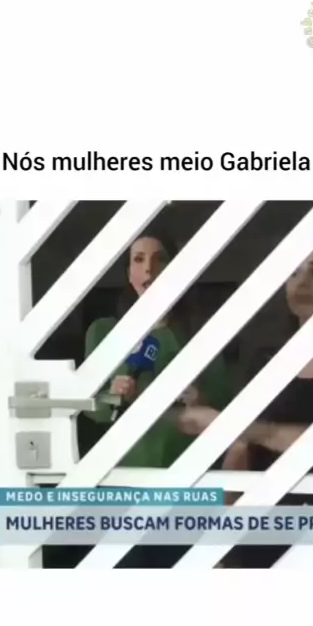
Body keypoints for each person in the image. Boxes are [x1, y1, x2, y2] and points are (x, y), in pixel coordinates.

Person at [177, 234, 313, 567]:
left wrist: (241, 426)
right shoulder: (266, 362)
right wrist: (221, 542)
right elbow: (239, 452)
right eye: (293, 272)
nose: (301, 282)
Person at [82, 228, 231, 567]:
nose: (148, 268)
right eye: (138, 260)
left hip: (187, 485)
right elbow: (93, 410)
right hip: (123, 488)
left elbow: (225, 403)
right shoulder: (104, 332)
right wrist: (111, 395)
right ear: (128, 272)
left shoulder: (201, 333)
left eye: (159, 259)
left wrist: (200, 398)